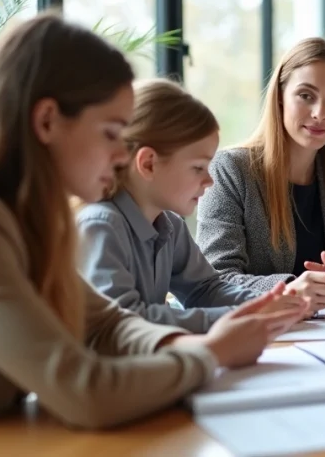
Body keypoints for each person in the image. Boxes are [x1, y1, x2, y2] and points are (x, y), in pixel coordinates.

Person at [0, 13, 307, 455]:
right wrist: (211, 354)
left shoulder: (31, 223)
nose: (123, 154)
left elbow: (106, 325)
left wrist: (206, 338)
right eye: (111, 133)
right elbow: (83, 391)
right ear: (47, 121)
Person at [76, 79, 311, 332]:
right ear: (148, 164)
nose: (209, 181)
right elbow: (127, 321)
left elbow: (204, 289)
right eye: (198, 167)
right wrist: (240, 317)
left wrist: (267, 303)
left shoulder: (170, 226)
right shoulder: (101, 226)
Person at [195, 37, 325, 313]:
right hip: (260, 339)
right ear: (281, 97)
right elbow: (214, 280)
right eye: (306, 96)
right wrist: (290, 290)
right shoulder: (231, 170)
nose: (321, 113)